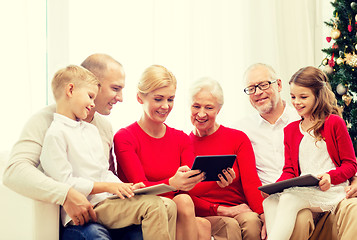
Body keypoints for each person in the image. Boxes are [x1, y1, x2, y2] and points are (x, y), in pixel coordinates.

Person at [2, 53, 148, 240]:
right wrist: (65, 194)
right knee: (95, 235)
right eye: (115, 88)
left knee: (141, 233)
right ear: (92, 83)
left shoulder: (104, 127)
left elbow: (104, 174)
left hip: (104, 210)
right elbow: (14, 171)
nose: (120, 97)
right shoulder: (45, 121)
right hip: (73, 221)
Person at [40, 64, 175, 239]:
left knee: (169, 206)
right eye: (90, 96)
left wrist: (126, 187)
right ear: (70, 90)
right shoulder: (56, 134)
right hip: (88, 207)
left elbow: (103, 173)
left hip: (108, 201)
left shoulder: (91, 130)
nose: (92, 103)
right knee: (154, 206)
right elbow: (64, 183)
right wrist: (108, 187)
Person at [236, 62, 357, 240]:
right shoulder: (292, 129)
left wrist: (331, 176)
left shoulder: (333, 123)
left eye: (303, 97)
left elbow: (351, 164)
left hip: (330, 189)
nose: (297, 102)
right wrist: (273, 188)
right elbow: (290, 170)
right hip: (306, 189)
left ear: (318, 95)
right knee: (270, 201)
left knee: (289, 200)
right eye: (293, 97)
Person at [113, 64, 212, 240]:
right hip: (142, 208)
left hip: (178, 206)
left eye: (170, 99)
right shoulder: (125, 137)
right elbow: (140, 186)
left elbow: (190, 187)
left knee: (191, 209)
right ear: (139, 98)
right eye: (158, 99)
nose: (165, 106)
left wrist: (216, 180)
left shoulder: (181, 138)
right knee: (187, 208)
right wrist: (173, 183)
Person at [188, 77, 266, 240]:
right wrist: (219, 209)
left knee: (252, 222)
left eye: (209, 107)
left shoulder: (237, 138)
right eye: (196, 106)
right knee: (229, 227)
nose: (201, 114)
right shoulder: (183, 143)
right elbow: (182, 194)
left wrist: (263, 214)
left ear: (219, 109)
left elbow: (251, 182)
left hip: (240, 208)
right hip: (204, 213)